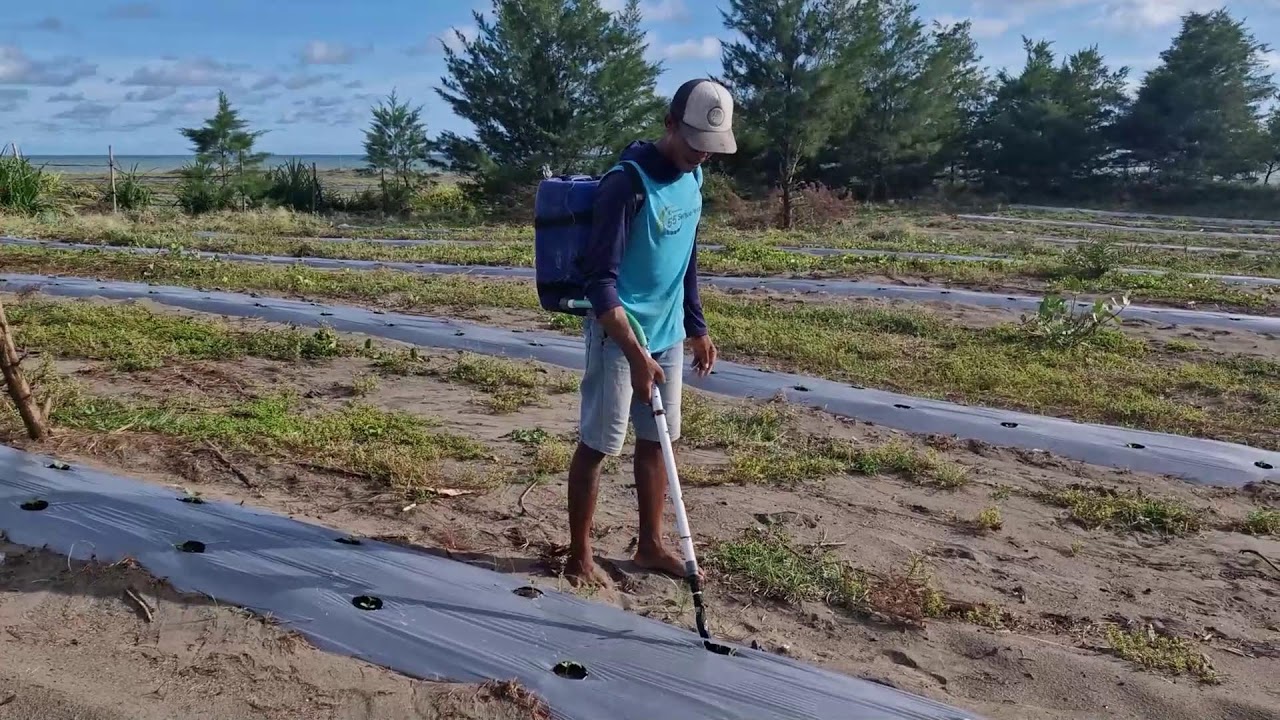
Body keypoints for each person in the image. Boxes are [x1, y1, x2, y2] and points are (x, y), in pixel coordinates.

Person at [565, 78, 738, 587]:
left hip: (667, 332)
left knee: (658, 441)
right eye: (694, 144)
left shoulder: (695, 179)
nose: (702, 156)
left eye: (712, 149)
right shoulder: (626, 183)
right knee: (600, 443)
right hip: (619, 336)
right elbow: (599, 284)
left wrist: (696, 326)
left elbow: (686, 258)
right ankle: (579, 554)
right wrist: (636, 354)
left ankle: (651, 545)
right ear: (669, 125)